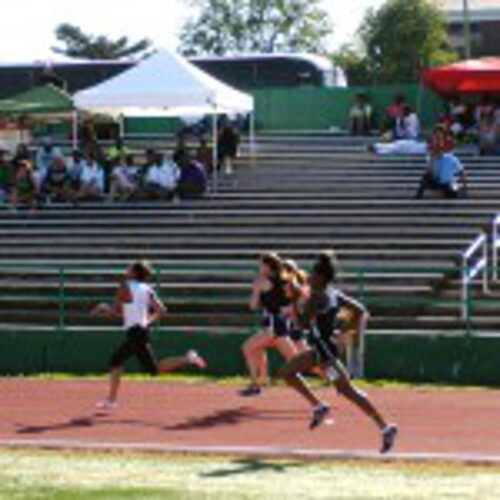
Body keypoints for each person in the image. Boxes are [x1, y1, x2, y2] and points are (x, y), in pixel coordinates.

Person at [279, 251, 398, 453]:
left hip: (325, 354)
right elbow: (359, 310)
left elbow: (302, 324)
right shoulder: (333, 293)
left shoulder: (317, 297)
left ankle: (385, 427)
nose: (309, 276)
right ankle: (319, 406)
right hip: (321, 349)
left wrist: (294, 301)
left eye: (313, 274)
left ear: (321, 278)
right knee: (286, 373)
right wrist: (342, 330)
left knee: (347, 391)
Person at [91, 260, 207, 409]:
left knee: (149, 368)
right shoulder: (147, 288)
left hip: (135, 332)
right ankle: (111, 400)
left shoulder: (124, 285)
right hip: (139, 331)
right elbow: (162, 310)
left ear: (134, 272)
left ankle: (189, 358)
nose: (127, 269)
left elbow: (115, 312)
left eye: (130, 268)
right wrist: (146, 322)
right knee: (117, 361)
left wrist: (102, 308)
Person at [240, 253, 298, 397]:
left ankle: (255, 385)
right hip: (282, 325)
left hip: (273, 327)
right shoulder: (285, 280)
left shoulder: (262, 281)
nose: (259, 267)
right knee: (299, 360)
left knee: (247, 348)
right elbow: (292, 305)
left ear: (267, 266)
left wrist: (256, 291)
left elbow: (253, 306)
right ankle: (262, 380)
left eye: (261, 264)